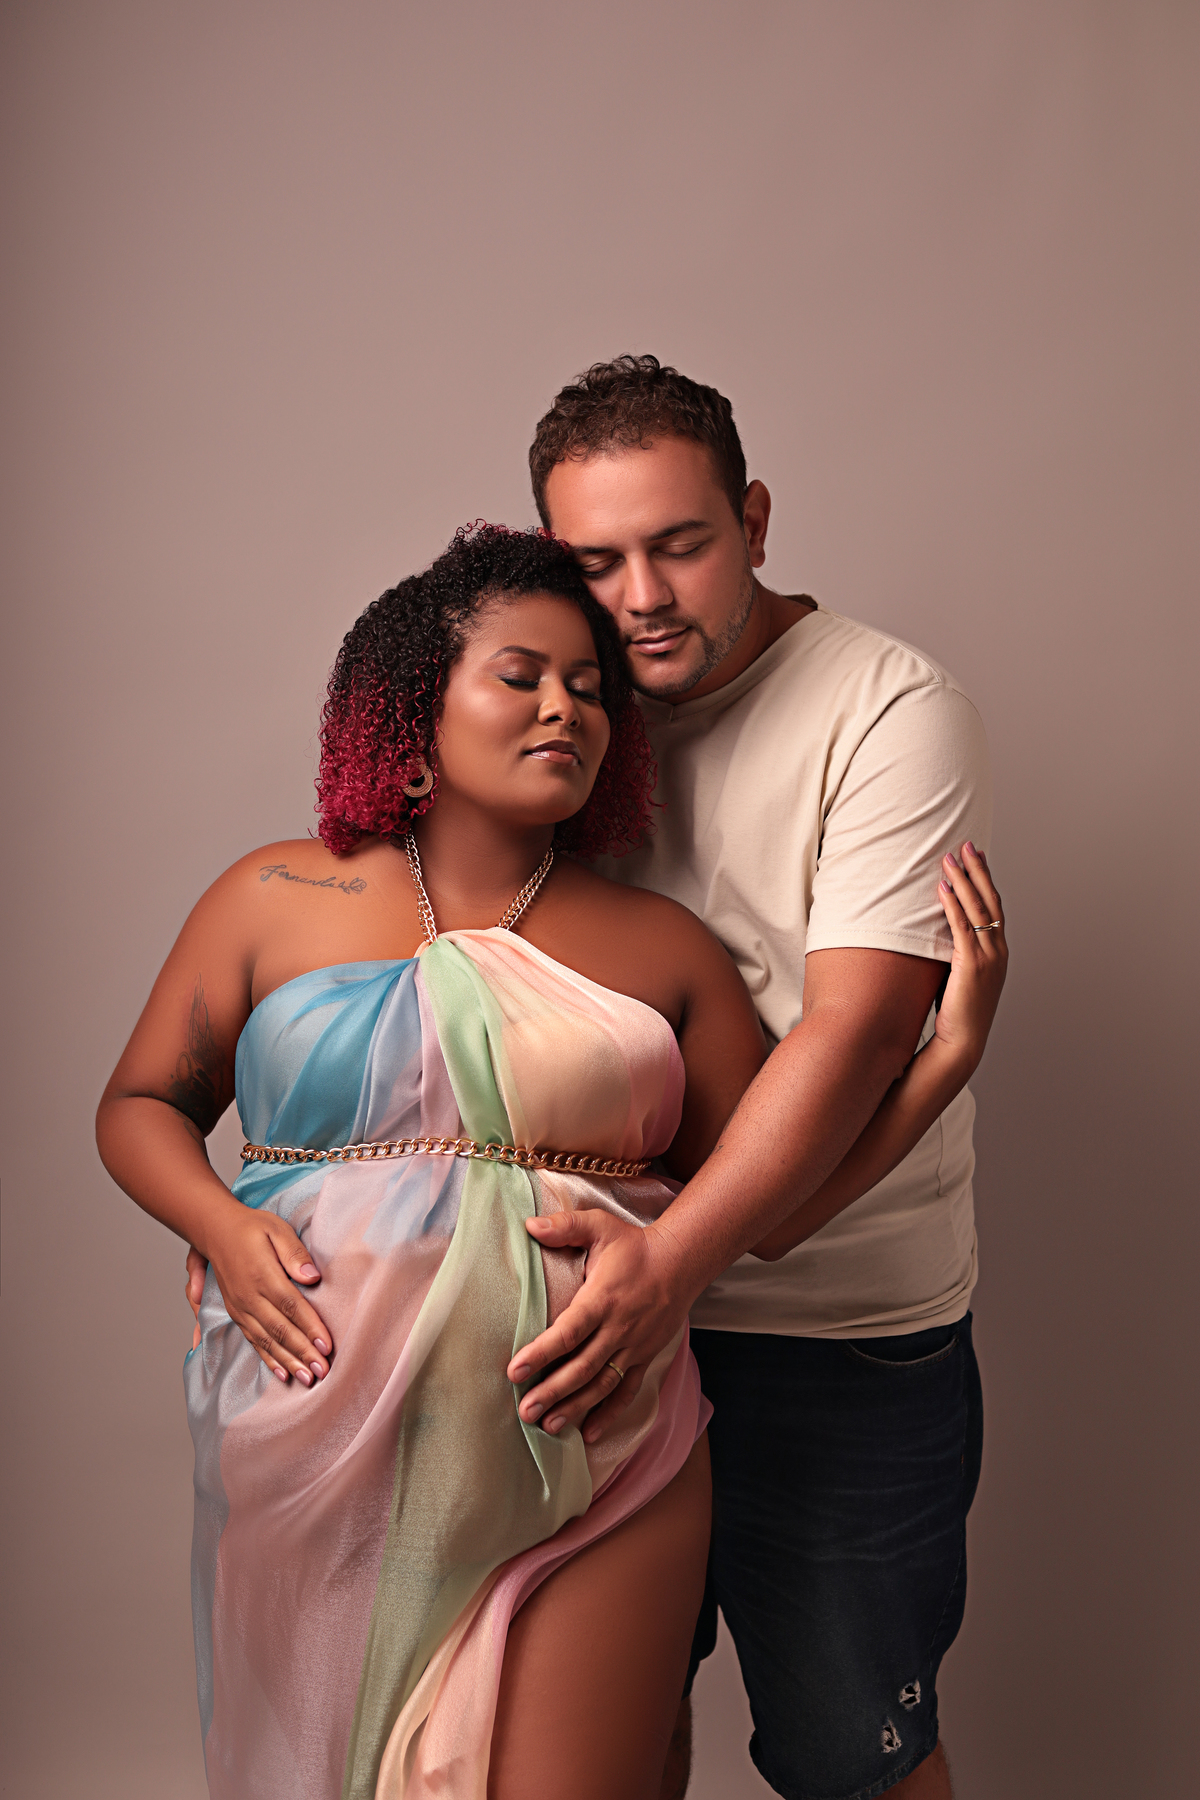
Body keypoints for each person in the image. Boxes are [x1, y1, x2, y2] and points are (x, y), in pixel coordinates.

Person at [101, 523, 1002, 1799]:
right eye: (520, 677)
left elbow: (777, 1210)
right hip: (307, 1438)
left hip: (595, 1442)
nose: (565, 708)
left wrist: (943, 1061)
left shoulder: (663, 948)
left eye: (588, 687)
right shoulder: (272, 897)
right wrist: (221, 1222)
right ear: (415, 707)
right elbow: (140, 1103)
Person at [502, 356, 1007, 1800]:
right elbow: (422, 942)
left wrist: (671, 1265)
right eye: (596, 563)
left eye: (681, 544)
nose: (642, 597)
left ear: (757, 520)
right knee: (606, 1746)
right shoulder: (553, 706)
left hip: (833, 1335)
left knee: (858, 1763)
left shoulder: (890, 706)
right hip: (585, 1311)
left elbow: (852, 1034)